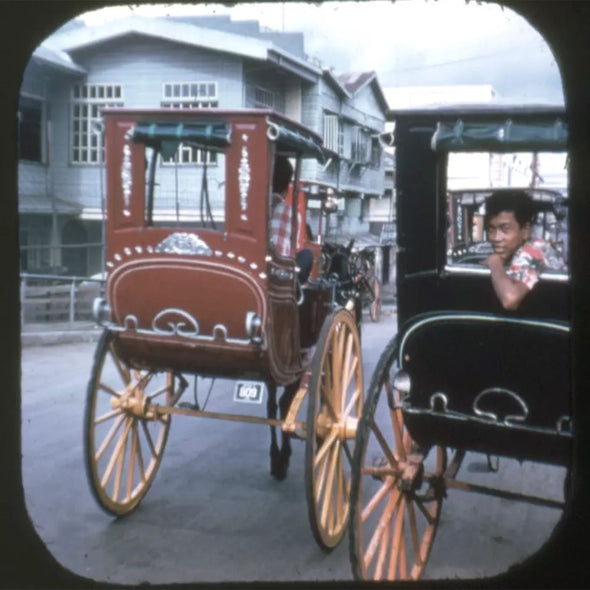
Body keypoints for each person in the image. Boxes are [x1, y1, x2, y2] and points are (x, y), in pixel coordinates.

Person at [483, 189, 557, 311]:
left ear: (525, 230)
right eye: (491, 230)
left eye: (505, 229)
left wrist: (494, 262)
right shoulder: (516, 252)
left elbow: (510, 300)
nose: (496, 238)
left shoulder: (534, 250)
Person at [269, 156, 313, 284]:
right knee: (307, 254)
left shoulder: (257, 206)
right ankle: (297, 289)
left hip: (258, 267)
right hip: (281, 273)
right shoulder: (290, 212)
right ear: (287, 188)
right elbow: (294, 249)